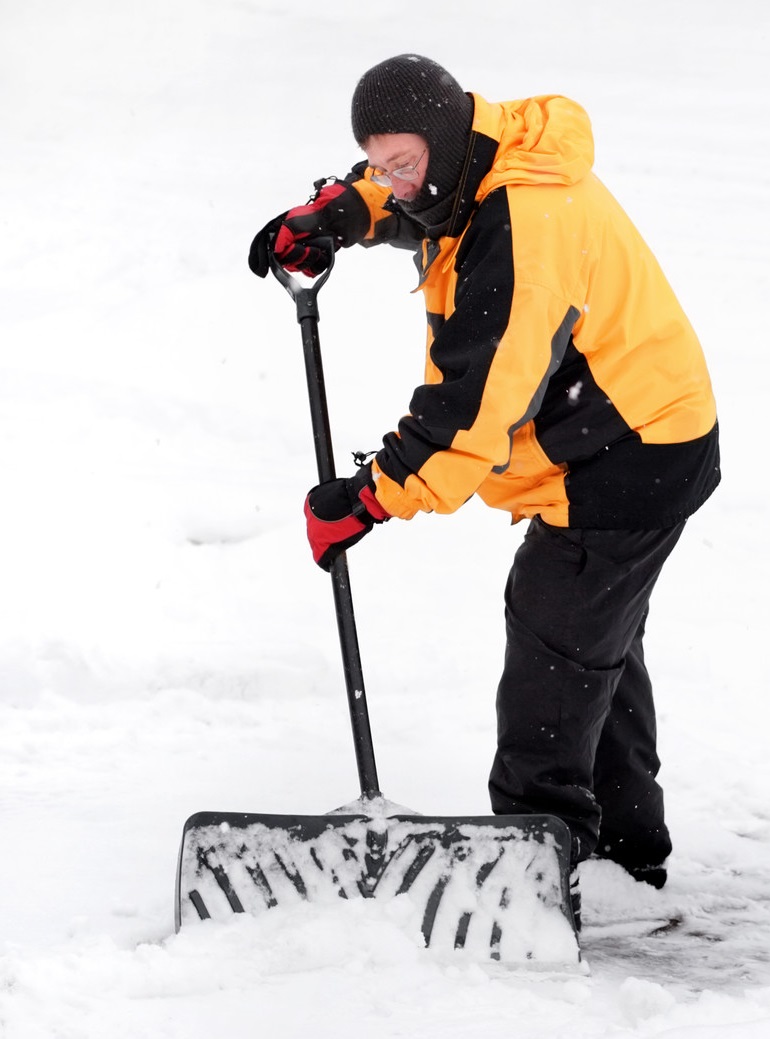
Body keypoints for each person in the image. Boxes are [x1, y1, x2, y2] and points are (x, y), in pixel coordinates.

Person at [248, 54, 720, 897]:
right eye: (380, 164)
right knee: (592, 646)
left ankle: (536, 868)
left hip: (629, 455)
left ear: (445, 137)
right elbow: (422, 202)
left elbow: (475, 405)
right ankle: (621, 852)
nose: (394, 183)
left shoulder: (527, 226)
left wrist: (370, 497)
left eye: (403, 164)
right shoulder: (482, 157)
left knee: (554, 642)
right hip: (628, 435)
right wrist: (342, 210)